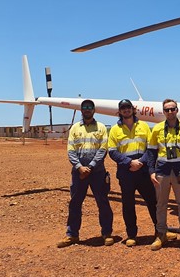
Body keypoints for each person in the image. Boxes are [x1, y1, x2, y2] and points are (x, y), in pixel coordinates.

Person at [108, 99, 166, 247]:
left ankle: (159, 232)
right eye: (123, 108)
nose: (126, 110)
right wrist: (129, 162)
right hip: (126, 171)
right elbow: (112, 151)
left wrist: (141, 162)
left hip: (143, 169)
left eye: (128, 107)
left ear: (133, 109)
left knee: (152, 201)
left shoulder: (144, 126)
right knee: (128, 204)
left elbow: (151, 147)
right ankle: (131, 234)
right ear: (119, 111)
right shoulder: (115, 130)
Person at [57, 99, 114, 248]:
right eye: (85, 107)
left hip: (98, 173)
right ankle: (72, 234)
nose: (87, 110)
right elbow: (70, 150)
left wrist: (91, 167)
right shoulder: (75, 128)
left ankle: (107, 233)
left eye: (90, 107)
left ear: (94, 110)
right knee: (75, 203)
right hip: (78, 173)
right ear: (81, 110)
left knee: (103, 202)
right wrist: (79, 167)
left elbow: (103, 149)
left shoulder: (101, 128)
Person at [146, 99, 180, 251]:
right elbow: (151, 152)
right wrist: (151, 171)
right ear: (163, 112)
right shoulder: (156, 129)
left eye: (172, 109)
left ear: (177, 110)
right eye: (167, 110)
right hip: (162, 171)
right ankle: (161, 233)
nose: (170, 112)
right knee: (161, 204)